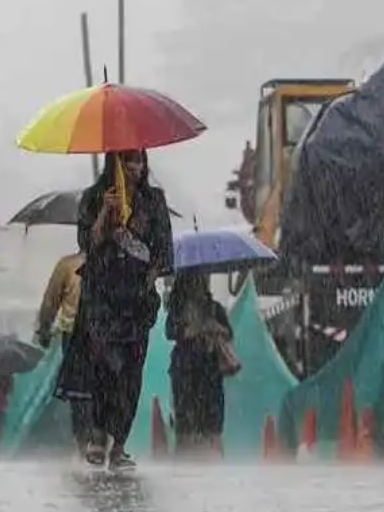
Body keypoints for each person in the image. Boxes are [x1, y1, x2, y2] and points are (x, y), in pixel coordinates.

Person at [55, 150, 173, 471]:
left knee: (130, 375)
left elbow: (163, 251)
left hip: (136, 303)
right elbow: (88, 244)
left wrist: (148, 281)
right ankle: (97, 436)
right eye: (129, 160)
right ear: (115, 163)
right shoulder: (94, 197)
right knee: (103, 369)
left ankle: (119, 445)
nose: (136, 167)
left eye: (140, 160)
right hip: (101, 300)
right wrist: (106, 212)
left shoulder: (153, 201)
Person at [165, 272, 234, 456]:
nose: (200, 284)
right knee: (187, 423)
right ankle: (188, 456)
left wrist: (216, 328)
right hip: (186, 370)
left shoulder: (214, 308)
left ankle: (211, 455)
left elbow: (229, 333)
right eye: (195, 280)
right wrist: (196, 329)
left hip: (209, 371)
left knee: (211, 424)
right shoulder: (178, 309)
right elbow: (170, 332)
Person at [34, 250, 88, 453]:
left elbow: (51, 301)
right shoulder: (115, 261)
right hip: (96, 337)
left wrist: (44, 329)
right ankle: (91, 444)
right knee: (94, 394)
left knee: (80, 395)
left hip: (77, 338)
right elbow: (51, 300)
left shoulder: (68, 265)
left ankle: (85, 443)